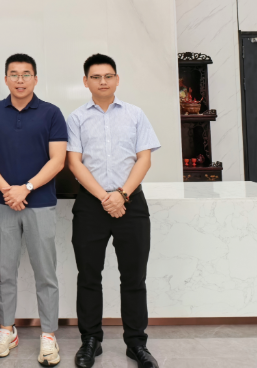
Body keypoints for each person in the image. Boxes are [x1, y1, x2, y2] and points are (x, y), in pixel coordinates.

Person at [66, 54, 160, 368]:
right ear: (86, 82)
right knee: (88, 276)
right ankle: (90, 341)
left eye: (108, 76)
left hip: (131, 202)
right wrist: (105, 198)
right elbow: (74, 162)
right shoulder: (76, 118)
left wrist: (121, 195)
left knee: (134, 277)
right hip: (90, 205)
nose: (102, 81)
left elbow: (144, 158)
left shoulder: (135, 114)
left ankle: (136, 343)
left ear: (117, 79)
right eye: (95, 77)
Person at [0, 53, 67, 367]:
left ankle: (49, 334)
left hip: (40, 204)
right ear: (6, 79)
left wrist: (26, 188)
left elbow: (58, 160)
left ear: (35, 78)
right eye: (14, 74)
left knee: (46, 273)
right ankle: (6, 329)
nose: (20, 80)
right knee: (3, 272)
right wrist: (7, 190)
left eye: (26, 74)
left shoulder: (51, 113)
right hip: (2, 203)